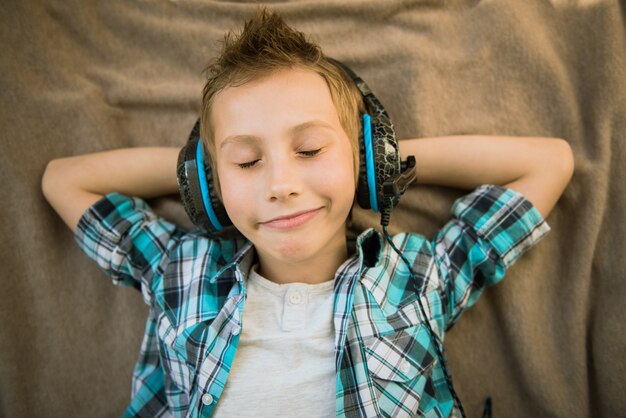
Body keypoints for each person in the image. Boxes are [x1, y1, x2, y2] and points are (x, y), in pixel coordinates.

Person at [41, 8, 574, 418]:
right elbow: (64, 181)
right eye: (247, 161)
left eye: (311, 150)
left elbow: (549, 162)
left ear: (359, 158)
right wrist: (197, 174)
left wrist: (384, 159)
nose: (281, 185)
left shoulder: (418, 278)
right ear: (212, 186)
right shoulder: (181, 270)